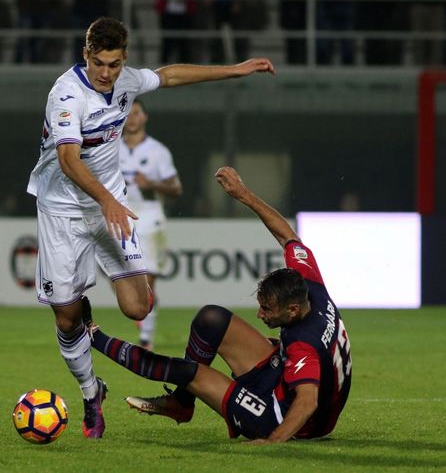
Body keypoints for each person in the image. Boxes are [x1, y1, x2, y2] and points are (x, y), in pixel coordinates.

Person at [27, 16, 275, 439]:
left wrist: (234, 70)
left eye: (116, 64)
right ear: (86, 55)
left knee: (138, 308)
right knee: (66, 319)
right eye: (100, 63)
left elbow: (170, 75)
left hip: (111, 207)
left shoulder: (124, 82)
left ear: (124, 60)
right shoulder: (66, 95)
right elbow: (69, 160)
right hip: (64, 212)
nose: (107, 73)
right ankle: (91, 393)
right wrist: (106, 200)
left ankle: (106, 310)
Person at [85, 166, 352, 442]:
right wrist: (243, 194)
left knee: (190, 373)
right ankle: (181, 402)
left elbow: (308, 402)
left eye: (268, 309)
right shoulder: (311, 285)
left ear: (293, 309)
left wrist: (272, 441)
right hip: (282, 380)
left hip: (287, 418)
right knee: (211, 320)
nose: (260, 314)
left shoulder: (302, 346)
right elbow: (288, 236)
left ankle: (93, 336)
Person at [119, 100, 182, 350]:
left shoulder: (158, 151)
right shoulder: (111, 148)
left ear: (145, 117)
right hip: (119, 218)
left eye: (136, 113)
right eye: (128, 114)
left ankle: (146, 339)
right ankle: (141, 313)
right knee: (117, 275)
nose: (132, 118)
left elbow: (176, 188)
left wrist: (152, 184)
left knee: (148, 283)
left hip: (150, 218)